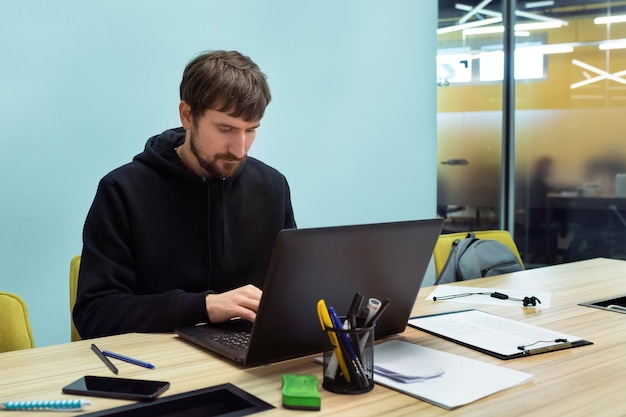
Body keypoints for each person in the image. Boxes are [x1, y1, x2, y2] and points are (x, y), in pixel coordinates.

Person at [73, 50, 297, 339]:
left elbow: (290, 295)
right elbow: (95, 314)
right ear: (188, 115)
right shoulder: (122, 191)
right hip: (159, 369)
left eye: (251, 130)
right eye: (226, 129)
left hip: (249, 359)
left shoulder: (272, 186)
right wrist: (203, 307)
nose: (239, 149)